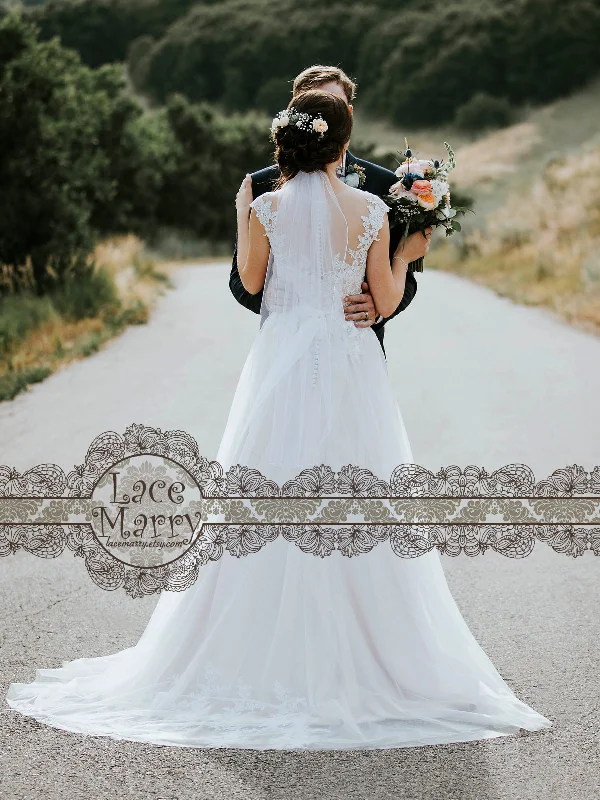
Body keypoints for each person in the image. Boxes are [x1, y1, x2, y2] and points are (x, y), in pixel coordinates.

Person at [6, 89, 552, 750]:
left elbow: (253, 283)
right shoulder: (373, 209)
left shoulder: (262, 204)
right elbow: (380, 301)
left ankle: (246, 651)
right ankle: (380, 652)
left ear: (289, 141)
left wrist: (244, 215)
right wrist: (407, 256)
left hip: (280, 364)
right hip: (351, 366)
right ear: (344, 144)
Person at [229, 65, 428, 356]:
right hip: (287, 348)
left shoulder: (388, 187)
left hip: (355, 348)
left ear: (348, 113)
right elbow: (241, 280)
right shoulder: (260, 186)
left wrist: (376, 310)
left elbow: (407, 276)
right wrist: (290, 308)